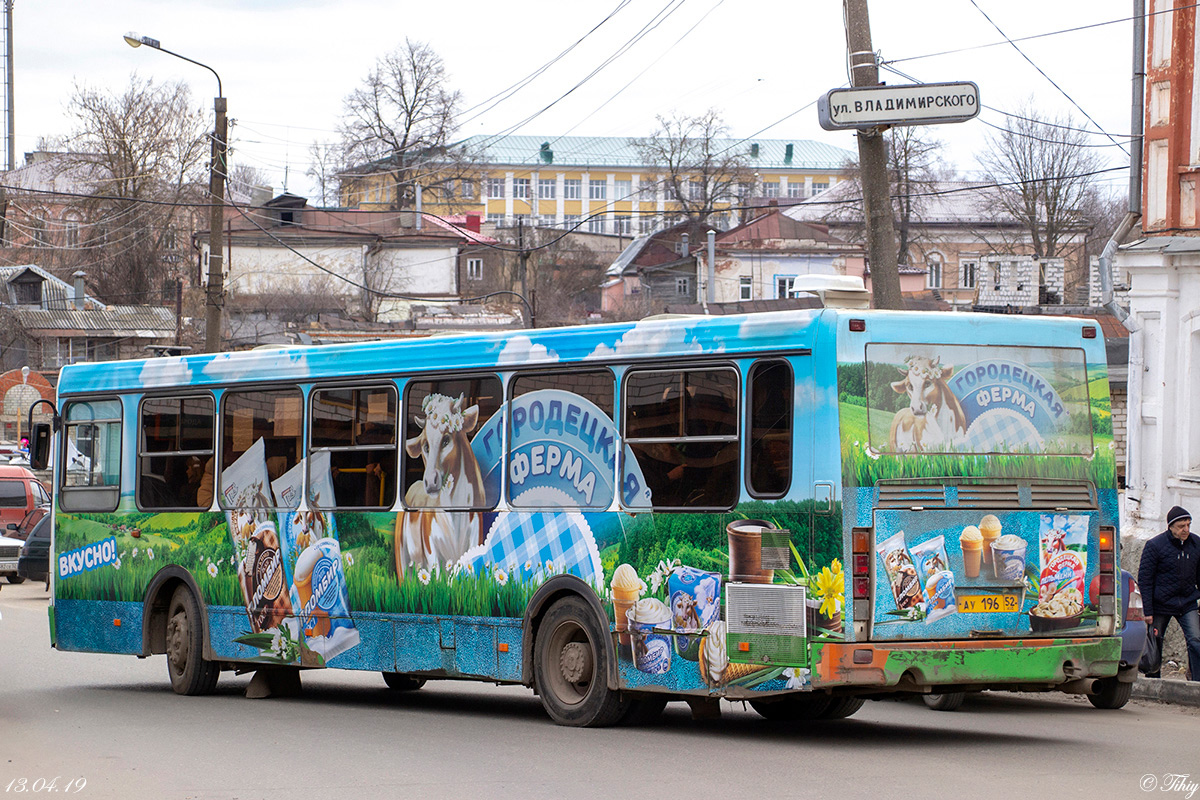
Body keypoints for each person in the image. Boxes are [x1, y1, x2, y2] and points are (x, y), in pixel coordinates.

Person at [1138, 505, 1200, 680]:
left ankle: (1197, 681)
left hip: (1187, 602)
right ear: (1171, 526)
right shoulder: (1154, 546)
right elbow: (1145, 579)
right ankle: (1152, 679)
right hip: (1161, 604)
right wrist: (1147, 611)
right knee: (1155, 642)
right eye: (1181, 526)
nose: (1185, 530)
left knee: (1195, 640)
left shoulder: (1196, 544)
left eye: (1188, 525)